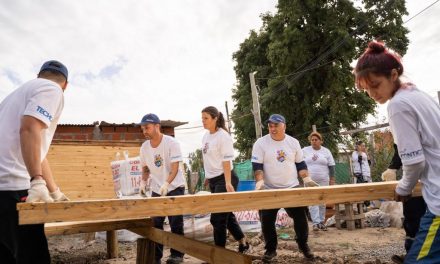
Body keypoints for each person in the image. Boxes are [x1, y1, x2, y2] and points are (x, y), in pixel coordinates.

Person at [354, 40, 440, 263]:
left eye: (375, 84)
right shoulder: (419, 96)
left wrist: (403, 188)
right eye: (366, 89)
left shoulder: (398, 105)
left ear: (393, 75)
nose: (372, 94)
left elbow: (414, 162)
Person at [0, 60, 70, 264]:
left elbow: (37, 152)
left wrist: (54, 191)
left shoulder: (12, 97)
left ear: (39, 75)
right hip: (14, 189)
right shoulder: (52, 89)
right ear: (66, 85)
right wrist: (37, 181)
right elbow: (29, 128)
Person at [251, 114, 318, 262]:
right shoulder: (260, 143)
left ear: (284, 126)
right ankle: (270, 250)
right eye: (270, 125)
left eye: (276, 125)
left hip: (291, 186)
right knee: (266, 220)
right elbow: (257, 166)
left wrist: (306, 178)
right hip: (269, 188)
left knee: (301, 218)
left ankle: (303, 245)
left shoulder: (293, 143)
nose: (272, 128)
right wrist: (260, 182)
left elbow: (300, 164)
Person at [138, 113, 186, 264]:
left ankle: (177, 255)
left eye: (147, 127)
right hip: (157, 188)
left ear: (157, 126)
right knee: (155, 223)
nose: (144, 131)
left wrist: (167, 184)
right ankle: (156, 257)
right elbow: (145, 169)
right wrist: (143, 183)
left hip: (174, 186)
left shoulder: (171, 143)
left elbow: (175, 167)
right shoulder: (144, 147)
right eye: (142, 128)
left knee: (175, 222)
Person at [201, 106, 249, 253]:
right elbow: (207, 158)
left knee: (217, 219)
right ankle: (243, 242)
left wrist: (228, 182)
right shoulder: (205, 136)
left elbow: (226, 161)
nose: (203, 121)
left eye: (206, 118)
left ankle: (219, 255)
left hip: (226, 179)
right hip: (214, 180)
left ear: (215, 118)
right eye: (202, 118)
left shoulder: (223, 136)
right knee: (226, 215)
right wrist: (207, 177)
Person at [381, 144, 427, 264]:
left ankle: (417, 256)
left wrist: (405, 186)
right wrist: (393, 167)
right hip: (417, 177)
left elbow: (408, 148)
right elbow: (403, 147)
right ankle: (412, 253)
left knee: (424, 219)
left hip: (423, 176)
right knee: (413, 217)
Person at [302, 131, 336, 231]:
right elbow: (299, 162)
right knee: (312, 201)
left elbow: (332, 166)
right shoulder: (304, 150)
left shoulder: (326, 151)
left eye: (316, 140)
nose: (314, 141)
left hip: (323, 180)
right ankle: (316, 223)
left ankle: (322, 222)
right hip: (309, 181)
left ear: (321, 141)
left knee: (322, 201)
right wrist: (303, 176)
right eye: (312, 140)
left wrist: (332, 179)